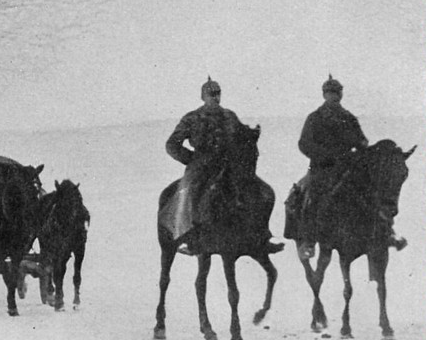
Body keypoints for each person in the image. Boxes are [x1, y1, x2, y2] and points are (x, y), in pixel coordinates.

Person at [285, 75, 406, 257]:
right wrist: (327, 155)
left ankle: (388, 232)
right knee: (312, 195)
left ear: (341, 95)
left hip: (349, 167)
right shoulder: (315, 117)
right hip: (322, 168)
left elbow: (361, 139)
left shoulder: (348, 117)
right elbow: (304, 143)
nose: (334, 96)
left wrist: (362, 144)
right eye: (330, 93)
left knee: (372, 192)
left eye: (337, 93)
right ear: (324, 95)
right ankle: (309, 242)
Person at [159, 77, 279, 255]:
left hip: (228, 166)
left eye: (217, 94)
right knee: (188, 193)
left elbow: (241, 136)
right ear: (203, 96)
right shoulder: (191, 118)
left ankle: (262, 235)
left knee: (261, 191)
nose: (215, 98)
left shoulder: (229, 116)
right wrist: (192, 159)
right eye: (211, 94)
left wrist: (251, 134)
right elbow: (171, 145)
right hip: (201, 167)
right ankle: (187, 238)